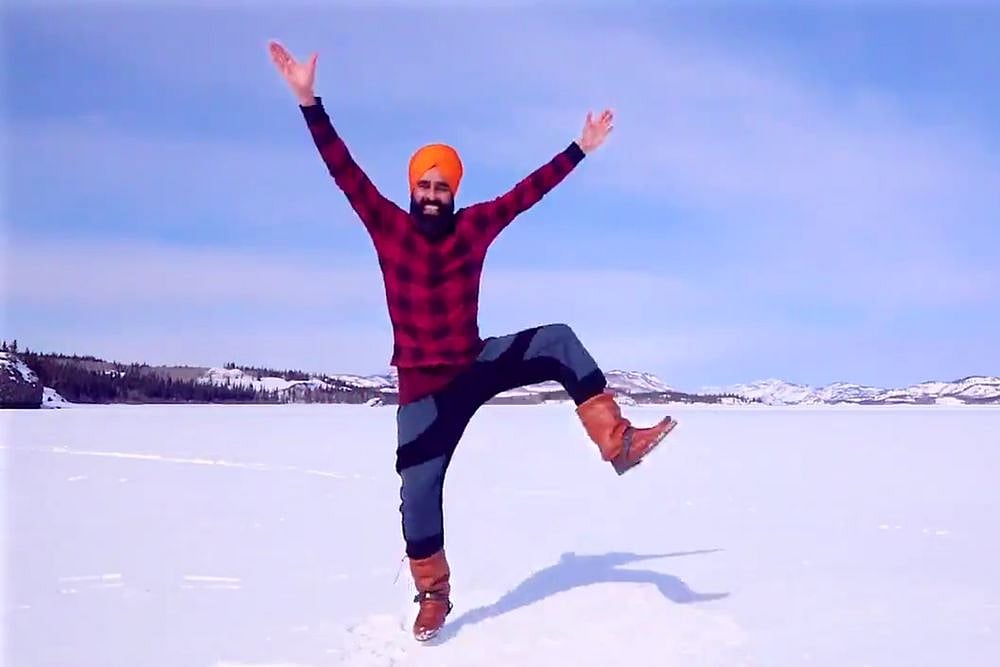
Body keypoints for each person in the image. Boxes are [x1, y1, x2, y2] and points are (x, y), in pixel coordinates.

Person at [268, 40, 677, 641]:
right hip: (423, 389)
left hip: (473, 362)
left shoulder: (475, 226)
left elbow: (527, 192)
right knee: (417, 495)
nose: (433, 194)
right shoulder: (388, 227)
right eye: (425, 185)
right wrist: (309, 102)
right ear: (412, 189)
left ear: (454, 191)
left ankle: (617, 443)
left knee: (558, 340)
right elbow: (343, 170)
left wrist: (579, 150)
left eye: (443, 186)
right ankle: (434, 594)